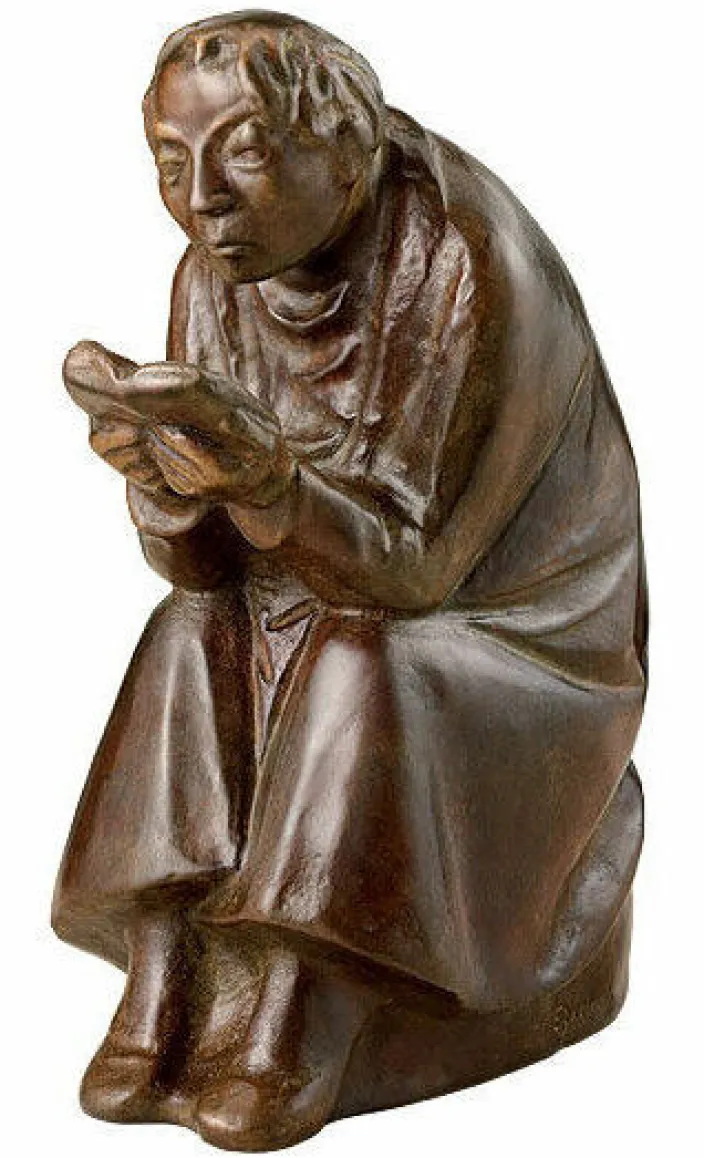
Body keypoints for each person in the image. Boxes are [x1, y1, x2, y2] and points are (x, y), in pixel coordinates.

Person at [53, 11, 647, 1152]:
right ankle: (169, 962)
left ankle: (299, 990)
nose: (203, 201)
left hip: (522, 646)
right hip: (325, 600)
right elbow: (207, 571)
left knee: (357, 651)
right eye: (172, 163)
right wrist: (168, 492)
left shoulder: (468, 263)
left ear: (347, 145)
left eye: (243, 151)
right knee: (188, 628)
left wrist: (269, 480)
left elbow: (414, 575)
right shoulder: (215, 273)